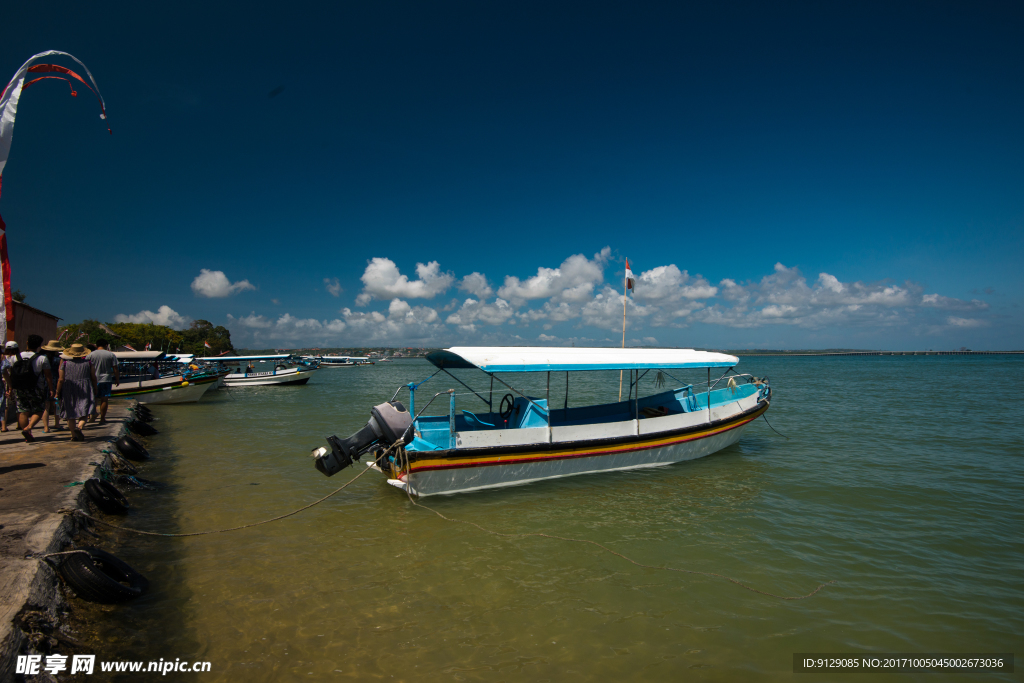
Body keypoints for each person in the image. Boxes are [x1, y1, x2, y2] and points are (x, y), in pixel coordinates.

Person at [8, 335, 55, 442]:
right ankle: (28, 427)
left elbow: (11, 373)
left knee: (23, 410)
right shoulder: (42, 358)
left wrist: (10, 388)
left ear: (27, 342)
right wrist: (51, 388)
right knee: (39, 409)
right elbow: (48, 375)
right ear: (39, 345)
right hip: (36, 388)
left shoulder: (15, 357)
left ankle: (27, 433)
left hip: (19, 387)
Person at [55, 343, 97, 442]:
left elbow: (61, 379)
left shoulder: (64, 363)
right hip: (85, 387)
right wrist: (95, 388)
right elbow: (93, 377)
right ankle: (80, 427)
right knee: (84, 411)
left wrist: (57, 391)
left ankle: (73, 435)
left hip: (68, 388)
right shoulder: (89, 363)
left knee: (70, 414)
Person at [88, 338, 120, 424]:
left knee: (93, 399)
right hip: (106, 379)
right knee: (104, 400)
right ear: (106, 345)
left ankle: (93, 414)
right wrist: (117, 379)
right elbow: (115, 368)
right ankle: (102, 419)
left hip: (93, 379)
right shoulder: (110, 355)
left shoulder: (90, 355)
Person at [39, 340, 66, 432]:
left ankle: (46, 427)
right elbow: (61, 373)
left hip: (44, 382)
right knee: (57, 404)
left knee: (46, 406)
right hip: (56, 382)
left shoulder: (42, 358)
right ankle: (57, 424)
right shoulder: (60, 359)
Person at [1, 341, 18, 432]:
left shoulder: (4, 357)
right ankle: (4, 426)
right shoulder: (4, 359)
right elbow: (7, 373)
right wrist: (10, 386)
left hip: (3, 382)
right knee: (5, 405)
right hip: (5, 383)